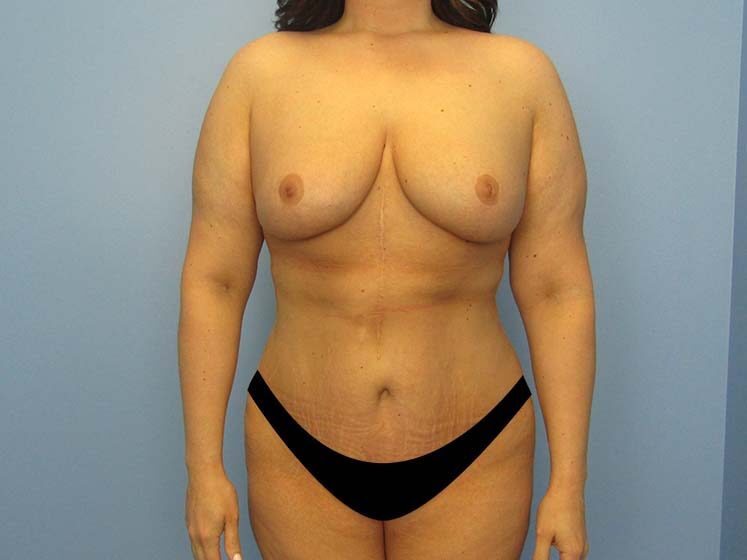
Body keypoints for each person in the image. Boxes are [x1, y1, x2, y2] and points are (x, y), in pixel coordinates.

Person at [178, 1, 595, 559]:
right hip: (295, 442)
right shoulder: (260, 74)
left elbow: (556, 290)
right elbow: (216, 280)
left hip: (479, 445)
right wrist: (203, 468)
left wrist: (569, 482)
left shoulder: (520, 77)